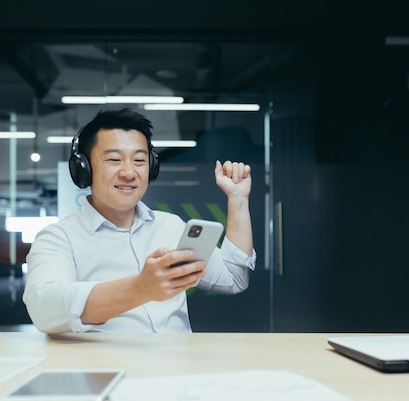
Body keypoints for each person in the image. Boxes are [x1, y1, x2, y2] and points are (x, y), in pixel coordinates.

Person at [22, 108, 256, 333]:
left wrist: (237, 200)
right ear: (84, 168)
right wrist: (140, 289)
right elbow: (44, 309)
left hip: (178, 368)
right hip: (107, 371)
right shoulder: (58, 238)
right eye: (114, 160)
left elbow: (233, 279)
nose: (129, 172)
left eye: (139, 161)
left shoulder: (170, 226)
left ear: (151, 168)